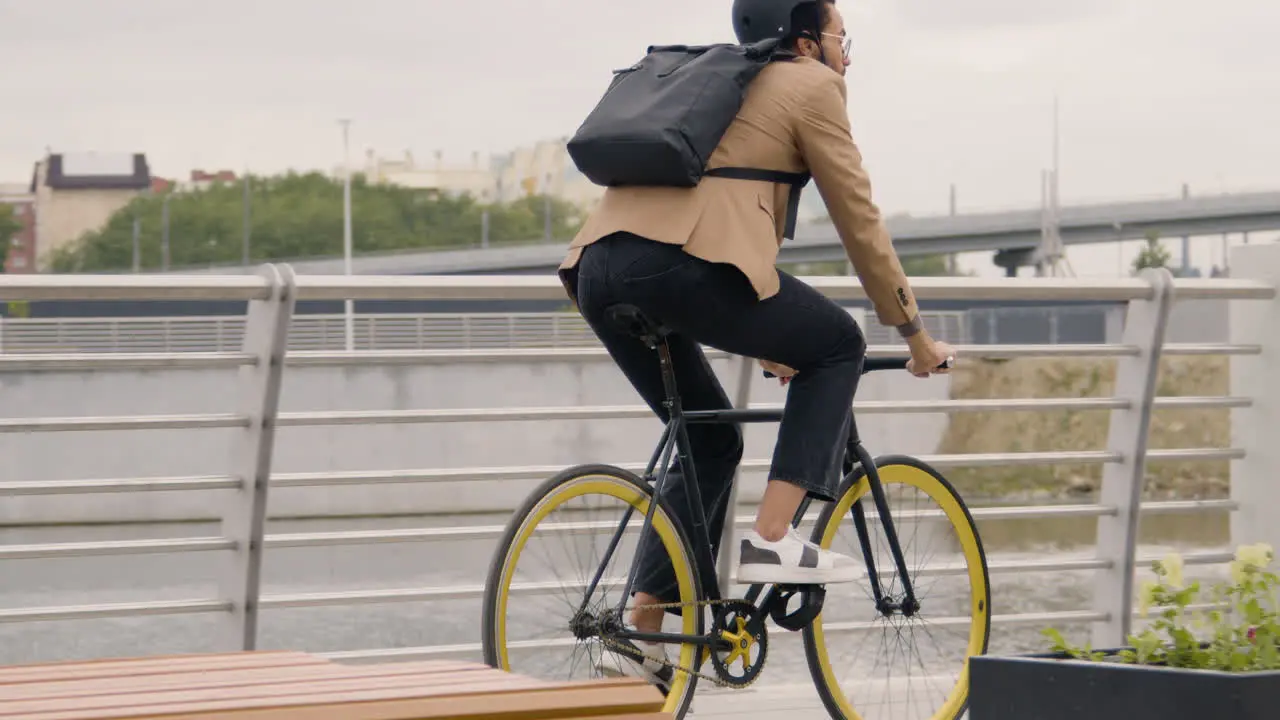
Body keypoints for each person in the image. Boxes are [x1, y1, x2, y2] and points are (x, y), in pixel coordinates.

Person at [556, 0, 955, 689]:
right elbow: (858, 218)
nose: (848, 54)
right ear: (807, 40)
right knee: (837, 345)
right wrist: (913, 332)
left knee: (709, 443)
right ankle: (773, 538)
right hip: (678, 266)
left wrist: (764, 335)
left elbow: (722, 205)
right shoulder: (811, 85)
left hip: (597, 268)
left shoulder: (721, 79)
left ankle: (642, 633)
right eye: (841, 37)